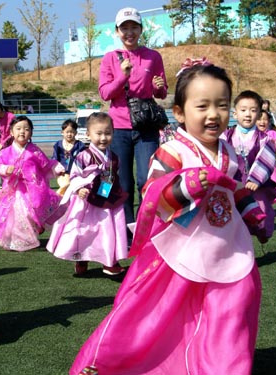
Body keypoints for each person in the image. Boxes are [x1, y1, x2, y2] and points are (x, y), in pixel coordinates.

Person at [70, 60, 265, 375]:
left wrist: (253, 214)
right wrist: (185, 185)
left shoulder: (229, 151)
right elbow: (152, 193)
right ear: (179, 112)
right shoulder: (174, 150)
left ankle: (224, 367)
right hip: (180, 252)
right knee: (160, 314)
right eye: (202, 106)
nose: (213, 114)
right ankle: (134, 361)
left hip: (229, 247)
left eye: (222, 105)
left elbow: (236, 187)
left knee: (233, 309)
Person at [99, 7, 168, 239]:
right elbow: (105, 93)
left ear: (141, 29)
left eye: (134, 27)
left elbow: (162, 93)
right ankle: (128, 233)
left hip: (147, 127)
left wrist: (159, 87)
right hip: (119, 129)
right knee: (124, 184)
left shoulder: (153, 56)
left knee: (146, 181)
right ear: (117, 31)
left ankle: (148, 229)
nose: (129, 32)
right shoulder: (110, 58)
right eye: (124, 28)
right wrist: (122, 76)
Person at [47, 112, 128, 275]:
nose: (103, 138)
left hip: (107, 199)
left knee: (107, 231)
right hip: (87, 201)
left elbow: (113, 176)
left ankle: (110, 261)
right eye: (99, 133)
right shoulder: (83, 156)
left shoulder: (113, 157)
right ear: (88, 134)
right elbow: (75, 175)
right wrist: (78, 189)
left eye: (108, 133)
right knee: (84, 232)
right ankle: (81, 259)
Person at [0, 115, 65, 251]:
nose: (22, 132)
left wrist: (56, 168)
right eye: (18, 128)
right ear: (11, 132)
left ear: (31, 132)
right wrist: (5, 169)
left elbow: (46, 165)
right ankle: (17, 240)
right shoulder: (5, 152)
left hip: (34, 189)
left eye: (26, 129)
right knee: (16, 213)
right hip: (14, 190)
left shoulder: (35, 151)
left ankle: (31, 234)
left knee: (30, 213)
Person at [223, 90, 276, 244]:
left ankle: (262, 231)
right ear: (235, 114)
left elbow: (266, 159)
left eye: (253, 111)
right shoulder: (225, 136)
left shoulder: (264, 139)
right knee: (233, 217)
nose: (248, 114)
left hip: (256, 186)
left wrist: (256, 179)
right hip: (233, 185)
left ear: (259, 113)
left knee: (262, 213)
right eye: (243, 110)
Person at [51, 119, 86, 195]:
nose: (69, 134)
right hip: (62, 173)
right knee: (65, 185)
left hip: (76, 173)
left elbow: (83, 159)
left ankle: (59, 200)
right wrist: (57, 168)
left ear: (76, 133)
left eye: (72, 132)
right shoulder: (58, 145)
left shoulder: (80, 145)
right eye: (67, 132)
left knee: (72, 191)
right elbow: (54, 158)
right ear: (62, 132)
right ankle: (58, 199)